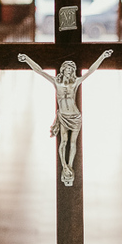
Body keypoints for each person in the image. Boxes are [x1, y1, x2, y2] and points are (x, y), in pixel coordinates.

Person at [17, 49, 113, 186]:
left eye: (71, 69)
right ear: (63, 70)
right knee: (63, 141)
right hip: (63, 116)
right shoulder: (56, 82)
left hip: (75, 116)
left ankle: (70, 165)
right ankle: (65, 166)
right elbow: (39, 71)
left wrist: (102, 56)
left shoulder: (76, 82)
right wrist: (27, 59)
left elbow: (91, 71)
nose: (69, 71)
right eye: (67, 69)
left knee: (73, 143)